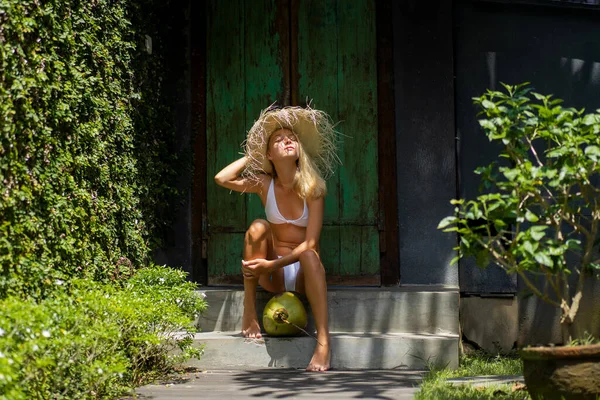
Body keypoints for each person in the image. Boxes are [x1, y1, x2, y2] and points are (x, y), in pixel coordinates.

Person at [214, 105, 339, 372]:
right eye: (278, 139)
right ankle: (249, 312)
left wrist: (271, 265)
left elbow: (311, 243)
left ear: (298, 152)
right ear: (270, 154)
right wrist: (253, 155)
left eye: (292, 138)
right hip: (272, 277)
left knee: (308, 252)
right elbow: (222, 178)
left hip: (303, 271)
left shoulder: (313, 188)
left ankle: (324, 343)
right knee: (258, 227)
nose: (287, 140)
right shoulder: (263, 184)